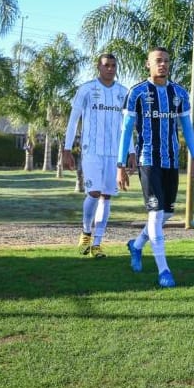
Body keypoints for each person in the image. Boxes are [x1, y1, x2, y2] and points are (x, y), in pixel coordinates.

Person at [117, 46, 194, 288]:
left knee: (167, 213)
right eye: (157, 60)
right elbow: (125, 131)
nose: (162, 64)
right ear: (148, 64)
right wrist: (120, 164)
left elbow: (187, 127)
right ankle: (164, 270)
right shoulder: (137, 93)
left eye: (165, 61)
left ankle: (137, 244)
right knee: (154, 213)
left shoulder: (179, 93)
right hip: (148, 160)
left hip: (172, 161)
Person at [63, 53, 135, 258]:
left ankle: (97, 244)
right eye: (106, 65)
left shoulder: (123, 93)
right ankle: (86, 233)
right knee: (94, 192)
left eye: (113, 65)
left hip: (114, 153)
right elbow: (73, 120)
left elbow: (127, 126)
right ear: (99, 67)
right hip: (91, 151)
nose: (110, 69)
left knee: (106, 196)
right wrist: (67, 149)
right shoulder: (86, 90)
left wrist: (131, 151)